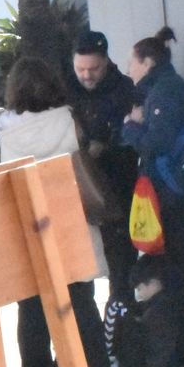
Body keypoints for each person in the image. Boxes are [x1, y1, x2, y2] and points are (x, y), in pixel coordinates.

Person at [0, 57, 112, 367]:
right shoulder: (69, 119)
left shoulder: (3, 129)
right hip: (70, 218)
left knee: (31, 307)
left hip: (27, 222)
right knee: (81, 301)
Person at [122, 27, 184, 367]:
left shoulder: (165, 92)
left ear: (147, 61)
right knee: (183, 265)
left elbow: (157, 143)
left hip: (177, 194)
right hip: (177, 190)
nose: (129, 69)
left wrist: (132, 126)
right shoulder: (162, 90)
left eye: (132, 62)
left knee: (183, 266)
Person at [67, 30, 141, 314]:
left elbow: (133, 138)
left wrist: (106, 144)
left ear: (106, 61)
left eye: (93, 68)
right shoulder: (67, 90)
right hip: (79, 192)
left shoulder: (125, 90)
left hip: (117, 189)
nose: (86, 75)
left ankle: (122, 323)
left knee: (120, 265)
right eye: (80, 69)